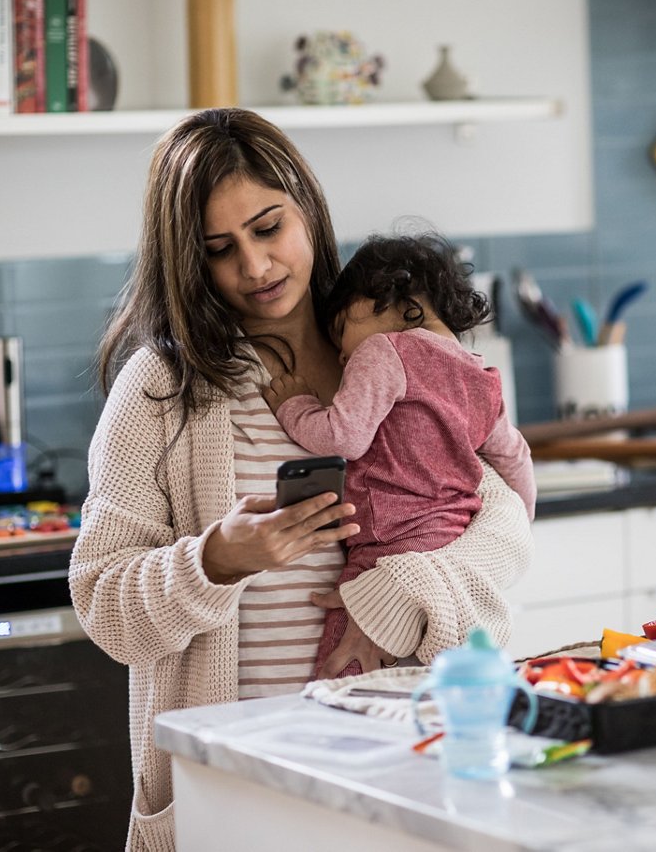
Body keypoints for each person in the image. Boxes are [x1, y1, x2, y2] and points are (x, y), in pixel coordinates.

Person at [68, 108, 532, 852]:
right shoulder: (163, 387)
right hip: (240, 797)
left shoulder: (392, 346)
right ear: (189, 262)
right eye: (220, 250)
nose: (254, 266)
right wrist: (218, 559)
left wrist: (401, 593)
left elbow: (503, 527)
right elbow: (103, 604)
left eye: (268, 227)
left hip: (403, 771)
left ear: (308, 208)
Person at [263, 231, 536, 680]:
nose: (340, 352)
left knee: (342, 675)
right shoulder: (481, 376)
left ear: (385, 299)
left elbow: (344, 436)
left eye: (339, 331)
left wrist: (295, 406)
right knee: (422, 684)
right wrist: (523, 519)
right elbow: (514, 457)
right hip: (451, 542)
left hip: (388, 548)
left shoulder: (384, 350)